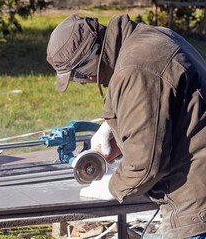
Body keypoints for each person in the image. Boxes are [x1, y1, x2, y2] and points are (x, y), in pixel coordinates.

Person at [46, 14, 206, 239]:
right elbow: (166, 107)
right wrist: (116, 127)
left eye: (77, 76)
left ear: (91, 58)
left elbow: (145, 164)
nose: (82, 82)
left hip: (196, 204)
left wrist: (112, 186)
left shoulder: (135, 69)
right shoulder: (145, 38)